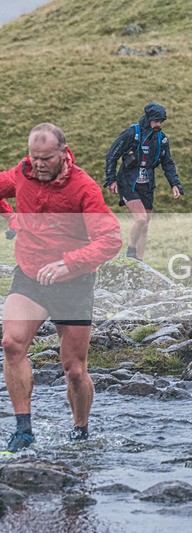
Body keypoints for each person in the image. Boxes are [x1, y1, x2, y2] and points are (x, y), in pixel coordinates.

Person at [0, 124, 122, 453]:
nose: (38, 164)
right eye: (33, 157)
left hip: (74, 283)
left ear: (63, 153)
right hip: (31, 277)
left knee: (74, 370)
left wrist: (69, 262)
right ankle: (23, 431)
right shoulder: (21, 174)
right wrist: (11, 216)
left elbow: (111, 238)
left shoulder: (84, 188)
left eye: (46, 158)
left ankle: (80, 431)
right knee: (12, 343)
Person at [105, 102, 183, 261]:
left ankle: (139, 262)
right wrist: (111, 179)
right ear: (148, 119)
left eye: (161, 122)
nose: (158, 125)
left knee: (145, 225)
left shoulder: (162, 139)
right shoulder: (131, 133)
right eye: (156, 121)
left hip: (147, 184)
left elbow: (167, 163)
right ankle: (131, 251)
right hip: (128, 182)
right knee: (140, 219)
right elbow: (112, 155)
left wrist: (175, 184)